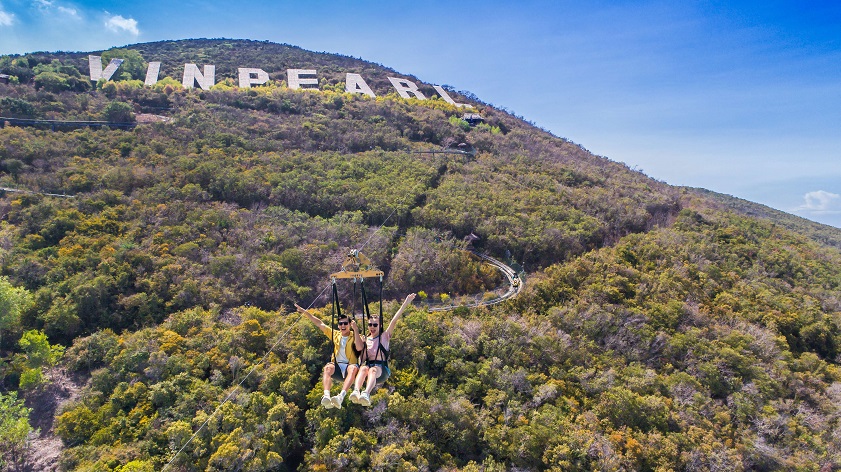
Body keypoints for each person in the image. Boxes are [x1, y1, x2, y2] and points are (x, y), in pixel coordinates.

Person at [350, 293, 416, 406]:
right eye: (370, 325)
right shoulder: (367, 339)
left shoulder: (384, 336)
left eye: (375, 325)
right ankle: (356, 391)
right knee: (364, 368)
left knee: (372, 370)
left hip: (381, 370)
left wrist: (406, 303)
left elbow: (394, 320)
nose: (372, 327)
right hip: (369, 368)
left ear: (380, 326)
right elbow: (362, 356)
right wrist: (358, 334)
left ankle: (366, 393)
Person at [296, 303, 363, 409]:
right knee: (327, 367)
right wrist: (305, 312)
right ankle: (326, 395)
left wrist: (356, 331)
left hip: (350, 366)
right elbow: (319, 324)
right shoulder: (335, 334)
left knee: (353, 367)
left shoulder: (356, 336)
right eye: (341, 324)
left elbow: (360, 348)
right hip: (337, 366)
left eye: (345, 323)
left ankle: (341, 396)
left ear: (350, 325)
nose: (343, 326)